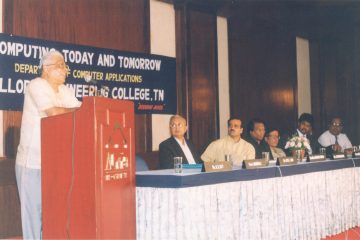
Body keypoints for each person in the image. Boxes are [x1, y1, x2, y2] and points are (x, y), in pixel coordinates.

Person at [15, 50, 81, 239]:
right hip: (32, 164)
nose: (65, 71)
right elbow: (53, 113)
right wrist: (78, 110)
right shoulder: (36, 85)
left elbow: (83, 113)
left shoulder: (65, 90)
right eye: (60, 65)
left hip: (56, 166)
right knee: (33, 218)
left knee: (53, 216)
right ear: (46, 68)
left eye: (65, 66)